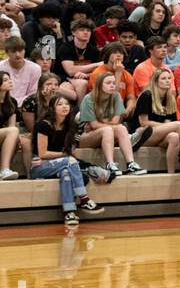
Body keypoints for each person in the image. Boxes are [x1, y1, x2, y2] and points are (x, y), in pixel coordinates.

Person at [32, 94, 103, 225]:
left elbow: (71, 152)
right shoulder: (43, 125)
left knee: (66, 174)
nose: (64, 106)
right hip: (39, 166)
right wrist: (65, 156)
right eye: (60, 104)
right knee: (69, 161)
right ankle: (84, 198)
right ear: (52, 109)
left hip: (60, 164)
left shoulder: (71, 126)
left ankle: (69, 212)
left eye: (66, 104)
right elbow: (42, 153)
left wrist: (66, 156)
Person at [79, 71, 147, 175]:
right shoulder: (89, 99)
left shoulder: (116, 96)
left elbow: (116, 121)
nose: (112, 85)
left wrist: (100, 120)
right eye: (108, 83)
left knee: (121, 128)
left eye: (113, 83)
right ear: (99, 84)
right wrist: (107, 123)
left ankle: (130, 164)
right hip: (86, 136)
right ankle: (110, 164)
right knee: (108, 129)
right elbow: (93, 125)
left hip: (106, 132)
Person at [132, 66, 180, 173]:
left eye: (169, 78)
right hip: (141, 136)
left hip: (159, 135)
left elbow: (170, 122)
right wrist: (166, 126)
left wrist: (168, 126)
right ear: (155, 81)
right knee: (178, 125)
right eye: (163, 78)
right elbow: (144, 122)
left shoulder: (170, 98)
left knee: (174, 137)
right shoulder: (147, 95)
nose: (167, 81)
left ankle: (171, 173)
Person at [0, 70, 20, 179]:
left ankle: (3, 169)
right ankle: (4, 169)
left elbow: (12, 126)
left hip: (2, 134)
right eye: (5, 80)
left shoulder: (12, 102)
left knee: (15, 136)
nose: (10, 82)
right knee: (13, 131)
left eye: (9, 79)